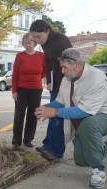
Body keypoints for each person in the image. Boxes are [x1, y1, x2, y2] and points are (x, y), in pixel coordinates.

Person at [35, 48, 107, 189]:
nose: (62, 71)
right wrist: (44, 109)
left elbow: (83, 111)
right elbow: (60, 102)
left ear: (76, 64)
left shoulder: (96, 78)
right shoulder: (67, 79)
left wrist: (53, 113)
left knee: (89, 125)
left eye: (64, 67)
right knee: (81, 160)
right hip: (88, 118)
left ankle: (98, 171)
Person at [29, 19, 72, 159]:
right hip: (55, 82)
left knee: (57, 115)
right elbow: (48, 63)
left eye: (38, 37)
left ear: (47, 31)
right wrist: (48, 81)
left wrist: (61, 86)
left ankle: (55, 151)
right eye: (34, 37)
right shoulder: (45, 43)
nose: (37, 40)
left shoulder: (62, 41)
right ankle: (48, 145)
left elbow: (68, 65)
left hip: (65, 82)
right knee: (50, 114)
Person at [11, 32, 46, 150]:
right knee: (19, 115)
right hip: (21, 89)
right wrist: (14, 91)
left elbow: (44, 72)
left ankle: (28, 139)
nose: (28, 45)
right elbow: (15, 74)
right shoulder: (20, 56)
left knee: (32, 115)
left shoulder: (41, 56)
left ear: (35, 43)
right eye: (25, 43)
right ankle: (16, 141)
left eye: (30, 43)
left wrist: (36, 79)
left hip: (36, 90)